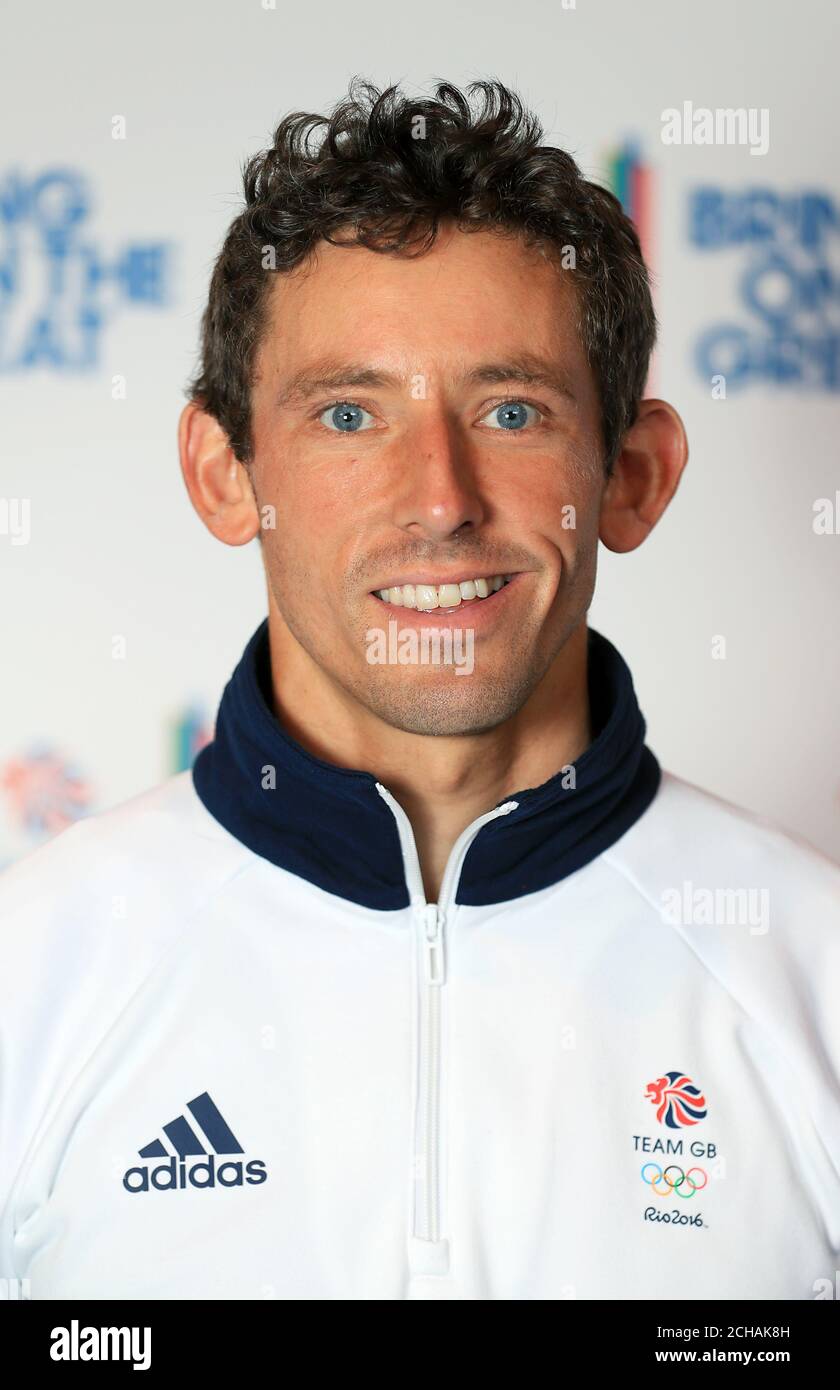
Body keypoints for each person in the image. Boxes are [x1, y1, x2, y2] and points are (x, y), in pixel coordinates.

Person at [1, 78, 838, 1302]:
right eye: (349, 413)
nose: (440, 497)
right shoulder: (34, 970)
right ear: (225, 473)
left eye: (511, 409)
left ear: (634, 475)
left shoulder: (816, 970)